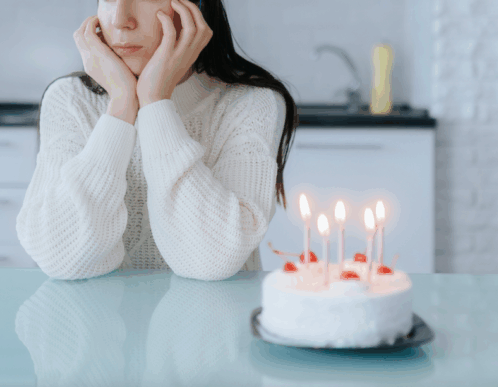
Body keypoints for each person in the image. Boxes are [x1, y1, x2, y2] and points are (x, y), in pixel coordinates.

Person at [16, 0, 299, 281]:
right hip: (99, 321)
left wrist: (155, 102)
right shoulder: (70, 99)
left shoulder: (250, 103)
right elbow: (61, 259)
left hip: (214, 320)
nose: (121, 19)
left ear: (194, 6)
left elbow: (211, 260)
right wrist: (121, 106)